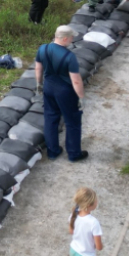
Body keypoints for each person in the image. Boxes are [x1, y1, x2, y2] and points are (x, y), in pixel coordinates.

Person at [35, 25, 87, 163]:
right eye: (71, 37)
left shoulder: (43, 49)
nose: (72, 39)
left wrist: (39, 84)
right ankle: (74, 153)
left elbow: (38, 68)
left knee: (50, 118)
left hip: (49, 87)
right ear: (64, 38)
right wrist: (81, 97)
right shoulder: (70, 57)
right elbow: (76, 81)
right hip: (65, 91)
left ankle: (53, 151)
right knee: (72, 121)